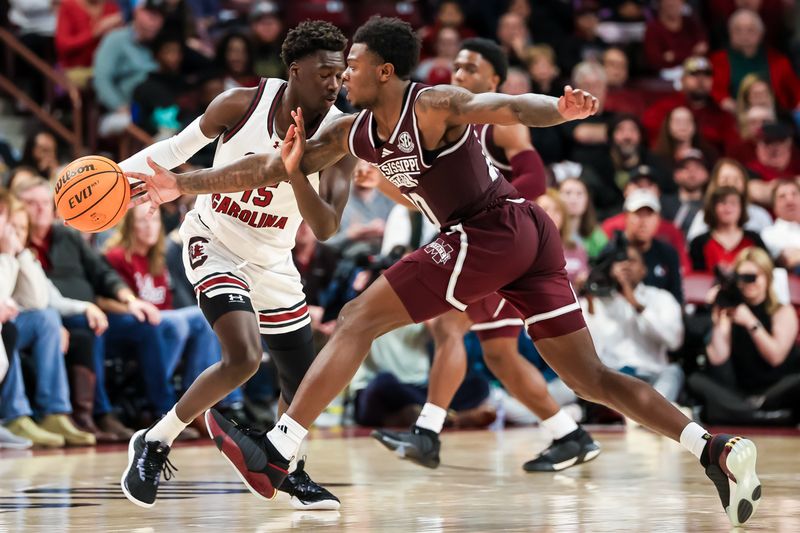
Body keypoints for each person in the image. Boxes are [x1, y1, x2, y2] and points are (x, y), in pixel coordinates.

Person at [132, 17, 762, 527]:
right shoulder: (352, 133)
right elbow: (267, 171)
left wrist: (559, 108)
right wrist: (179, 183)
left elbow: (503, 104)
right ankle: (714, 449)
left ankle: (279, 449)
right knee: (592, 378)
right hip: (522, 239)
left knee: (355, 318)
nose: (341, 76)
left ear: (384, 70)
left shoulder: (431, 105)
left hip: (492, 229)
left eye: (351, 65)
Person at [118, 21, 355, 510]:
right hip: (215, 240)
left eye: (341, 73)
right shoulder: (240, 103)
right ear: (295, 69)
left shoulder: (340, 133)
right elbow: (173, 152)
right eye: (325, 72)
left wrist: (296, 173)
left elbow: (327, 226)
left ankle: (287, 469)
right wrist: (116, 181)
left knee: (303, 379)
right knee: (244, 357)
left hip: (274, 257)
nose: (335, 83)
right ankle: (156, 440)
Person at [371, 37, 598, 473]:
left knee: (448, 325)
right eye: (456, 68)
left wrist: (497, 217)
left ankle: (426, 433)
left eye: (470, 69)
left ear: (494, 80)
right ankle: (568, 434)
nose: (459, 76)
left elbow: (534, 179)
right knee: (499, 354)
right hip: (473, 242)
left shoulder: (500, 124)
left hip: (499, 241)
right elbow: (424, 199)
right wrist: (378, 181)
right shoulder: (444, 124)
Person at [104, 204, 245, 419]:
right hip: (135, 323)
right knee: (183, 322)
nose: (150, 227)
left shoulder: (157, 259)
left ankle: (206, 399)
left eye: (155, 221)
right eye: (143, 221)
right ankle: (188, 402)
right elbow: (104, 297)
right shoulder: (116, 257)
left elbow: (167, 305)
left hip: (163, 322)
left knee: (204, 320)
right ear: (129, 226)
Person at [0, 188, 95, 448]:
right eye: (12, 227)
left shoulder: (19, 254)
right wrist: (8, 258)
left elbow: (39, 300)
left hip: (13, 324)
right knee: (11, 328)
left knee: (47, 318)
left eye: (21, 229)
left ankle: (55, 412)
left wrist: (18, 255)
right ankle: (15, 415)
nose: (16, 235)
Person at [690, 247, 800, 424]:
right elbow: (718, 362)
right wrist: (719, 319)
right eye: (741, 278)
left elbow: (775, 357)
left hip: (775, 387)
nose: (747, 283)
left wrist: (750, 322)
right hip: (739, 391)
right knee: (696, 380)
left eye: (752, 277)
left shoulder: (782, 311)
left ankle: (740, 414)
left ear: (767, 278)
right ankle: (760, 416)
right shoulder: (731, 309)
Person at [582, 246, 685, 403]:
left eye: (631, 261)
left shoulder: (661, 298)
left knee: (673, 372)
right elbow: (588, 348)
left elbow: (674, 342)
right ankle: (648, 415)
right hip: (612, 378)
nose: (626, 266)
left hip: (652, 376)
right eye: (619, 261)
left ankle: (651, 413)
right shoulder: (598, 301)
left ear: (644, 270)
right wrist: (591, 295)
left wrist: (637, 305)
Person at [92, 0, 164, 136]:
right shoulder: (116, 39)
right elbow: (101, 78)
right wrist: (119, 106)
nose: (155, 21)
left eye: (160, 15)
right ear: (136, 11)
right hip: (129, 108)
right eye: (150, 14)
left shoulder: (162, 43)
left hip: (157, 107)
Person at [643, 56, 739, 155]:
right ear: (682, 80)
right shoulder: (663, 108)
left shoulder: (721, 115)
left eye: (707, 75)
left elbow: (732, 149)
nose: (701, 80)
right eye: (694, 74)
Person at [710, 9, 800, 114]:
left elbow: (796, 92)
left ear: (761, 33)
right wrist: (738, 111)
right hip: (733, 116)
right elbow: (716, 92)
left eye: (750, 30)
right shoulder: (717, 60)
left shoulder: (779, 61)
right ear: (730, 33)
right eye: (738, 30)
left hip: (775, 116)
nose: (744, 35)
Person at [686, 158, 774, 243]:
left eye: (736, 180)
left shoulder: (760, 215)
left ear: (745, 184)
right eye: (725, 180)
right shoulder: (704, 215)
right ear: (715, 184)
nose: (731, 185)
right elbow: (693, 247)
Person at [689, 186, 768, 273]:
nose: (728, 207)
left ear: (741, 209)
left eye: (733, 203)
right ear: (713, 208)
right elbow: (696, 278)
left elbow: (766, 268)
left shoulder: (754, 238)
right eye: (723, 203)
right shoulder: (698, 242)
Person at [55, 0, 122, 87]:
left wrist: (120, 23)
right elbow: (63, 45)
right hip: (78, 69)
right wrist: (94, 33)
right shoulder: (69, 6)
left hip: (111, 67)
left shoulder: (112, 6)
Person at [643, 0, 708, 72]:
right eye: (668, 1)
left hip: (695, 71)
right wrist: (692, 54)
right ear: (660, 3)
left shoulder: (691, 23)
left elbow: (703, 49)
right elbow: (655, 60)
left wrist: (675, 56)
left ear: (682, 2)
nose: (672, 3)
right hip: (665, 75)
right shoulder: (653, 28)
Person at [661, 149, 711, 238]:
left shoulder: (711, 206)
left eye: (698, 167)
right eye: (685, 167)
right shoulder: (663, 204)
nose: (692, 172)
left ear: (706, 174)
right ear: (675, 175)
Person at [558, 177, 608, 258]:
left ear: (587, 200)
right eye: (567, 193)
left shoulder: (597, 236)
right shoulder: (549, 233)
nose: (573, 200)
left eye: (579, 194)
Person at [761, 180, 800, 272]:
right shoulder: (768, 234)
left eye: (794, 194)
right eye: (782, 196)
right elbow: (789, 260)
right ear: (774, 206)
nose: (790, 200)